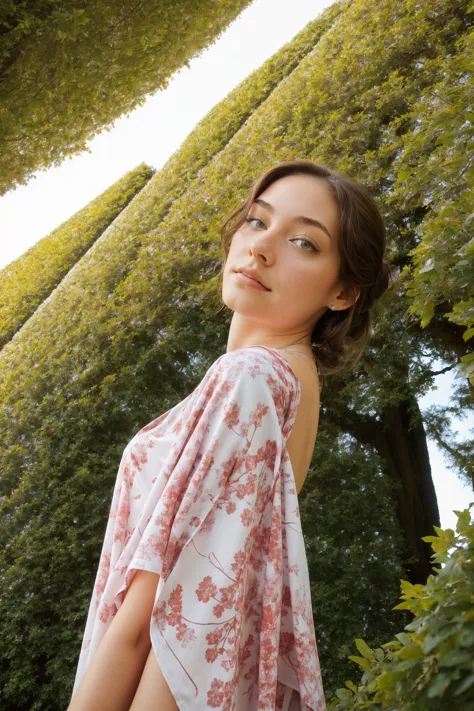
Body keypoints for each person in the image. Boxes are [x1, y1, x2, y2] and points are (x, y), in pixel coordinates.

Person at [68, 159, 390, 711]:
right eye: (257, 222)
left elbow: (147, 630)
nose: (260, 249)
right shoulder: (285, 386)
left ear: (343, 293)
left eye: (305, 244)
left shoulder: (249, 380)